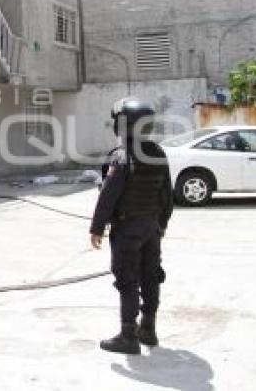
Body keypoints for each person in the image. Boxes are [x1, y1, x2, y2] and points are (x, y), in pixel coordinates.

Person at [90, 97, 174, 355]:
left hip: (128, 230)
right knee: (151, 275)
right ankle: (148, 329)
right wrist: (160, 225)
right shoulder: (158, 153)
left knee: (127, 279)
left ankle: (128, 336)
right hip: (151, 228)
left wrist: (96, 228)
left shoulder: (121, 156)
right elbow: (167, 198)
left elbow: (108, 195)